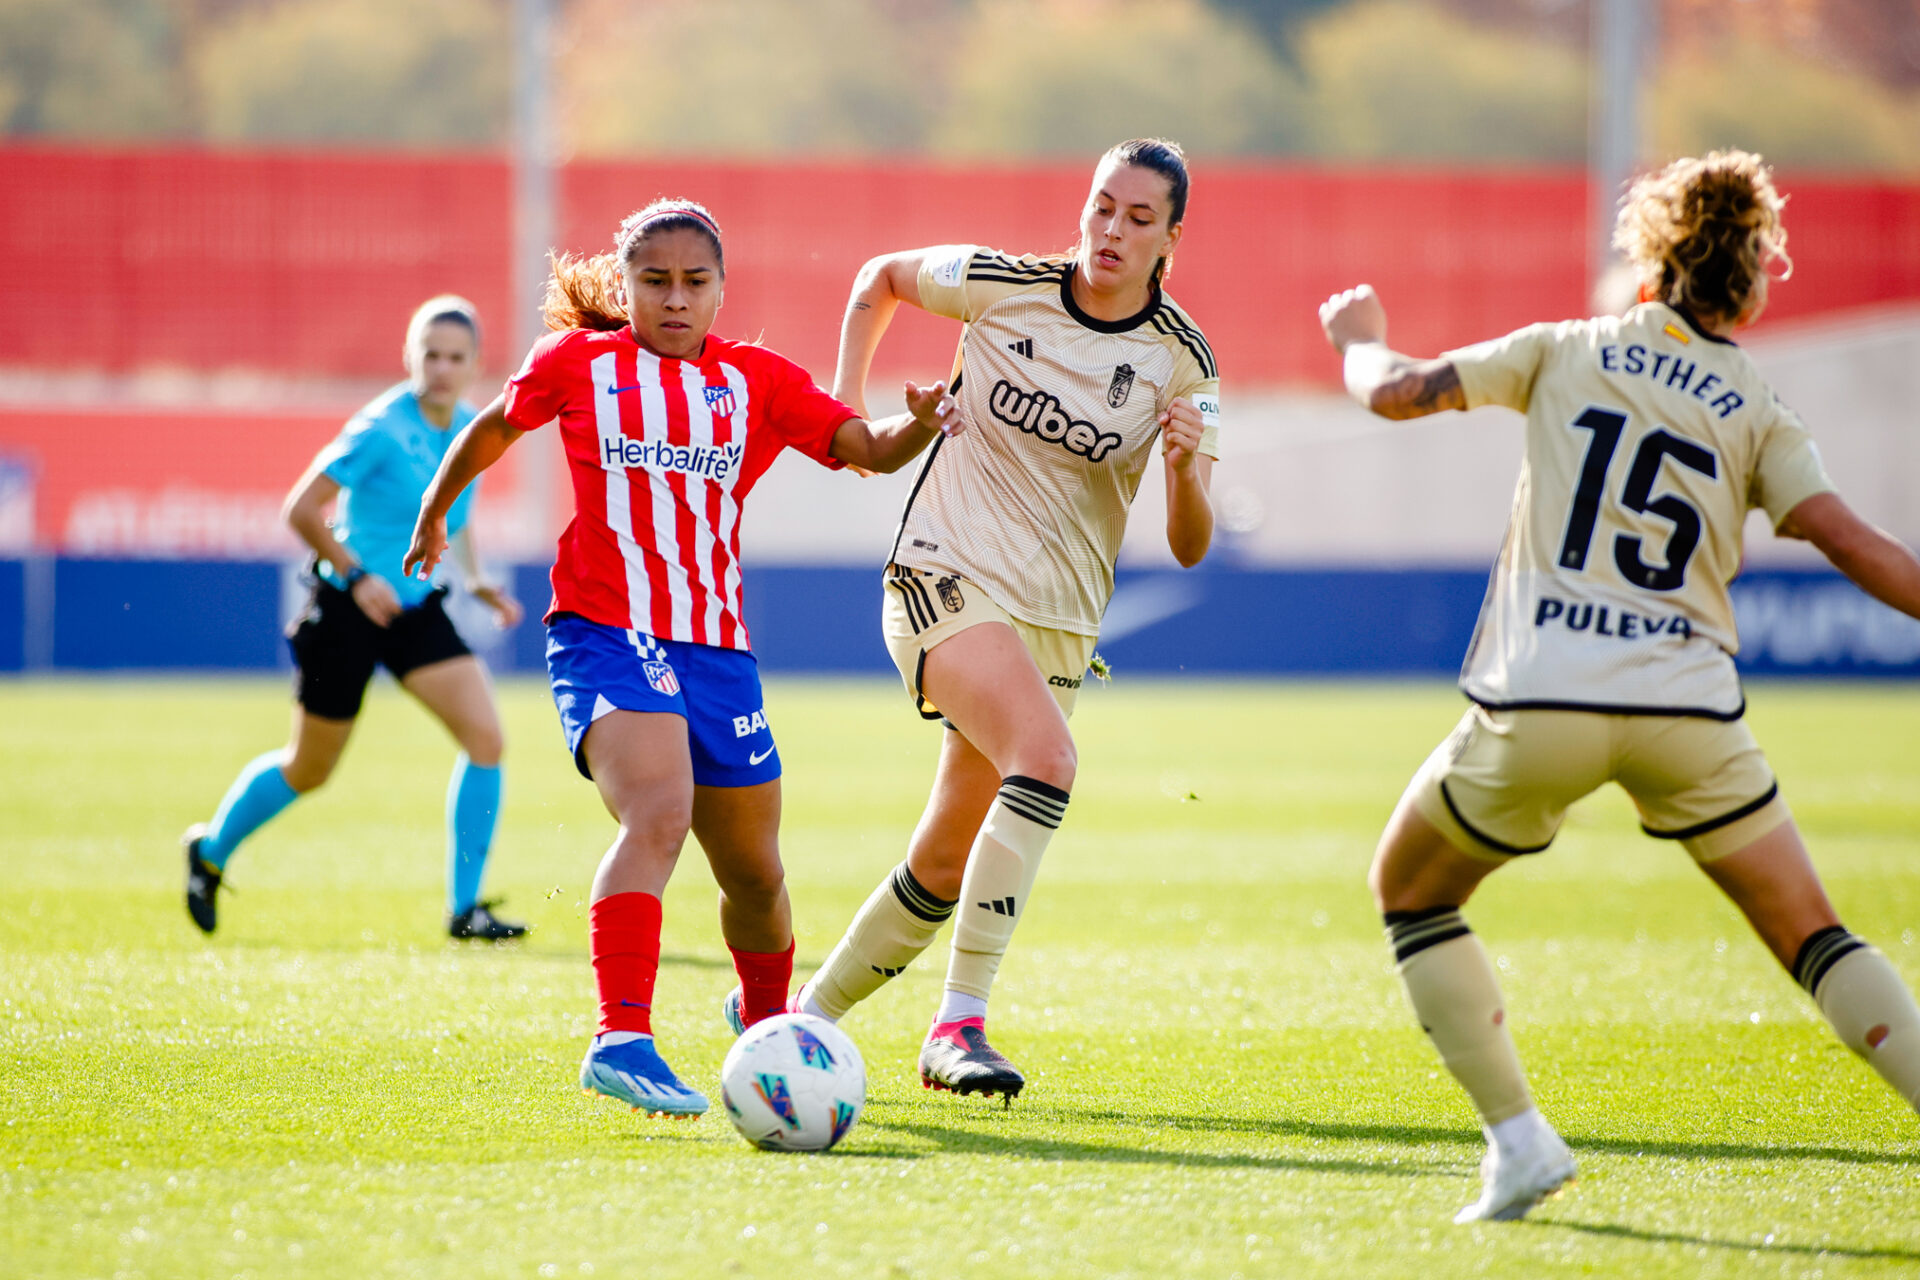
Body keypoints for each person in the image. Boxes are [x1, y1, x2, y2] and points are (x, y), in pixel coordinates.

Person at [1318, 149, 1920, 1224]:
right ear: (1750, 277)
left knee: (1411, 890)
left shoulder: (1567, 346)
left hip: (1546, 691)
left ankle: (1520, 1139)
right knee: (1815, 934)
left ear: (1648, 256)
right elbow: (1849, 539)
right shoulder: (1758, 405)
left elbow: (1400, 395)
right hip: (1690, 707)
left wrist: (1359, 341)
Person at [403, 200, 956, 1117]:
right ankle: (620, 1036)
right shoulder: (578, 365)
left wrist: (920, 424)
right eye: (654, 281)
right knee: (659, 812)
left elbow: (864, 450)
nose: (674, 299)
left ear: (721, 291)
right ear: (625, 287)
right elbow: (496, 427)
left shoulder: (760, 380)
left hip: (717, 651)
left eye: (694, 282)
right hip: (605, 631)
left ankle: (771, 1032)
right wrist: (435, 507)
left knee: (756, 876)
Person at [778, 138, 1222, 1102]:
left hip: (1058, 624)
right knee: (1050, 761)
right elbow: (880, 276)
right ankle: (958, 1024)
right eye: (1103, 205)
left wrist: (1185, 470)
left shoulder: (1184, 363)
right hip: (942, 574)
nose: (1111, 229)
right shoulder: (996, 283)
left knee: (943, 857)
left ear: (1170, 239)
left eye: (1138, 218)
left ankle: (800, 1020)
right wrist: (844, 410)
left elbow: (1191, 545)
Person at [182, 296, 527, 940]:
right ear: (409, 355)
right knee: (309, 768)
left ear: (477, 364)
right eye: (431, 354)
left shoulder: (468, 429)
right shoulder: (380, 428)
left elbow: (458, 510)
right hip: (346, 608)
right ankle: (209, 851)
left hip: (416, 609)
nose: (443, 368)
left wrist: (476, 581)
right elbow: (301, 509)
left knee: (487, 740)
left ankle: (466, 910)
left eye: (457, 357)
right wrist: (356, 575)